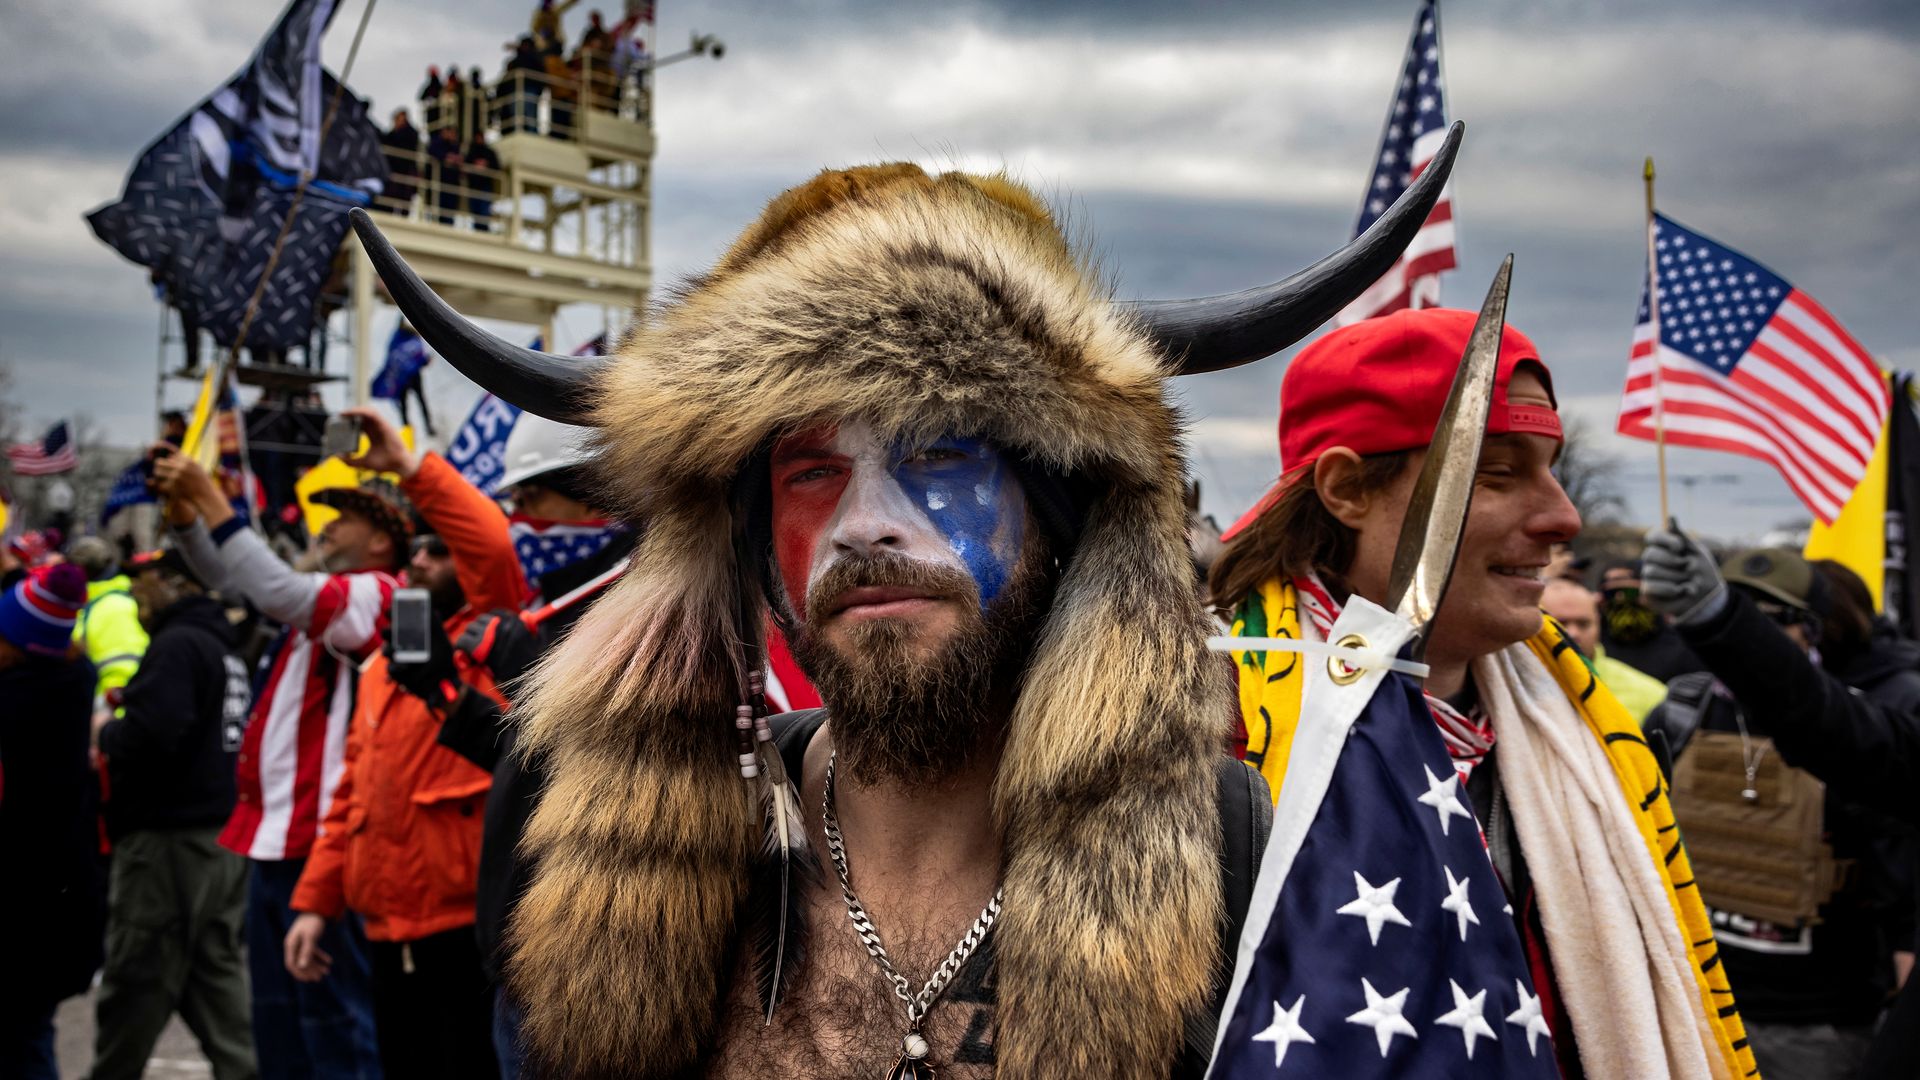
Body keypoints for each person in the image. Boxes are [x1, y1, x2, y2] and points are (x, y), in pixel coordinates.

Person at [342, 154, 1500, 1076]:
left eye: (939, 453)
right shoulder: (661, 872)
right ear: (748, 544)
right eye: (809, 474)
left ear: (1062, 514)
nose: (865, 525)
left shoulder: (1249, 858)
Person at [1207, 308, 1756, 1077]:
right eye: (1499, 473)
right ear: (1346, 489)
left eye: (1551, 468)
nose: (1563, 517)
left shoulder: (1589, 738)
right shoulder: (1199, 729)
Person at [282, 408, 523, 1078]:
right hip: (386, 933)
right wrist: (313, 903)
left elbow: (490, 548)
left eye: (436, 549)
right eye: (416, 548)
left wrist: (411, 470)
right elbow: (351, 793)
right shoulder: (385, 666)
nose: (422, 558)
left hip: (464, 935)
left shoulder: (485, 637)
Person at [152, 447, 392, 1080]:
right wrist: (185, 520)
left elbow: (274, 588)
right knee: (277, 1022)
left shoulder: (379, 591)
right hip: (278, 840)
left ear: (384, 540)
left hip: (323, 843)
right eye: (328, 514)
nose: (328, 525)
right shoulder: (326, 594)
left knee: (333, 1027)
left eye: (348, 516)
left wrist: (211, 498)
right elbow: (236, 581)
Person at [1641, 544, 1917, 1078]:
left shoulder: (1867, 716)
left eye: (1773, 621)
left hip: (1817, 1021)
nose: (1756, 633)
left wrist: (1903, 944)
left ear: (1813, 630)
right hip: (1701, 998)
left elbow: (1893, 857)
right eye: (1742, 612)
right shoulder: (1680, 712)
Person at [428, 413, 640, 1077]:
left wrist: (526, 672)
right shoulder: (562, 603)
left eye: (529, 501)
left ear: (593, 498)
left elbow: (621, 780)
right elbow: (525, 768)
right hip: (518, 959)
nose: (517, 521)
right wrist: (441, 696)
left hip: (582, 971)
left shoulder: (644, 611)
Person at [89, 549, 256, 1080]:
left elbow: (154, 733)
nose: (136, 592)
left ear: (173, 583)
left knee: (137, 975)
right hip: (214, 841)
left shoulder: (179, 644)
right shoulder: (216, 645)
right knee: (214, 977)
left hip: (169, 845)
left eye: (143, 580)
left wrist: (106, 732)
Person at [0, 561, 105, 1080]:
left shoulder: (16, 703)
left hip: (19, 913)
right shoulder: (71, 681)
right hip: (60, 909)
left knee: (20, 1045)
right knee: (30, 1037)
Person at [1539, 577, 1666, 721]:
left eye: (1583, 624)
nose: (1573, 633)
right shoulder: (1514, 685)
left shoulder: (1650, 694)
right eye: (1560, 623)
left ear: (1598, 624)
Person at [68, 534, 150, 720]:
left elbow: (121, 674)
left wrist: (108, 727)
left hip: (106, 728)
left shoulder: (114, 607)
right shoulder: (97, 602)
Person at [1597, 558, 1704, 682]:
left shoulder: (1682, 648)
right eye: (1611, 593)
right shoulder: (1591, 646)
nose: (1620, 599)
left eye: (1630, 592)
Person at [379, 109, 420, 214]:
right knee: (390, 199)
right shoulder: (393, 133)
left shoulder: (409, 133)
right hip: (394, 172)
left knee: (404, 199)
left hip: (404, 172)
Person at [427, 124, 463, 227]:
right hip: (440, 183)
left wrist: (456, 159)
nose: (453, 136)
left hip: (452, 184)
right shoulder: (437, 143)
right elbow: (432, 151)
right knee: (439, 209)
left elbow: (460, 160)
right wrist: (446, 157)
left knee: (449, 212)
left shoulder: (455, 146)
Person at [466, 131, 500, 233]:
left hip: (485, 186)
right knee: (476, 210)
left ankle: (484, 229)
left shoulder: (489, 152)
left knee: (484, 210)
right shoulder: (471, 153)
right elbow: (465, 167)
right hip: (474, 186)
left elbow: (496, 167)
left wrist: (486, 165)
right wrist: (475, 166)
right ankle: (478, 228)